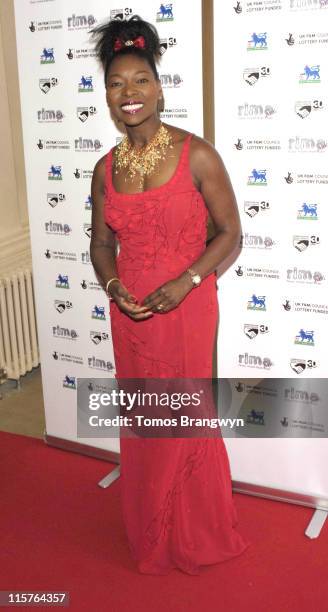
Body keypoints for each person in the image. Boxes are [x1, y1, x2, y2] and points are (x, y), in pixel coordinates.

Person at [90, 15, 250, 575]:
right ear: (106, 96)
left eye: (139, 80)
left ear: (158, 87)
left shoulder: (196, 154)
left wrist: (188, 280)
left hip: (185, 309)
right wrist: (113, 287)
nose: (128, 93)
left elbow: (231, 232)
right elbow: (100, 245)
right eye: (116, 83)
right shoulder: (103, 170)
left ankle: (196, 533)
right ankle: (151, 531)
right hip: (129, 314)